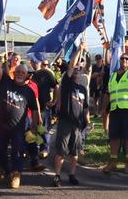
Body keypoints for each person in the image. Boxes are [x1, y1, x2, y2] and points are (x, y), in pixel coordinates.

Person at [0, 63, 40, 189]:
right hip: (1, 127)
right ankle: (6, 170)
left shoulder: (29, 91)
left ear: (26, 76)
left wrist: (34, 126)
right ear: (13, 73)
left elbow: (34, 110)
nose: (19, 74)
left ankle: (16, 174)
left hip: (18, 128)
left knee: (17, 152)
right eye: (17, 72)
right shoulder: (6, 82)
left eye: (22, 73)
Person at [52, 57, 90, 187]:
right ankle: (57, 175)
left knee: (74, 152)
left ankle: (72, 174)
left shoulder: (83, 89)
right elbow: (71, 66)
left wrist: (87, 121)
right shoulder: (67, 84)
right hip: (65, 122)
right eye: (74, 68)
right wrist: (80, 49)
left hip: (78, 125)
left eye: (78, 69)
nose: (76, 70)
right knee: (61, 151)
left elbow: (85, 108)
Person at [31, 59, 58, 159]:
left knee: (45, 129)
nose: (36, 64)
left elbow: (56, 87)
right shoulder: (30, 75)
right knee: (33, 128)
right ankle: (34, 149)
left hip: (44, 107)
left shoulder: (46, 73)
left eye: (45, 64)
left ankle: (45, 149)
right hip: (32, 107)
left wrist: (54, 101)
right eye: (34, 62)